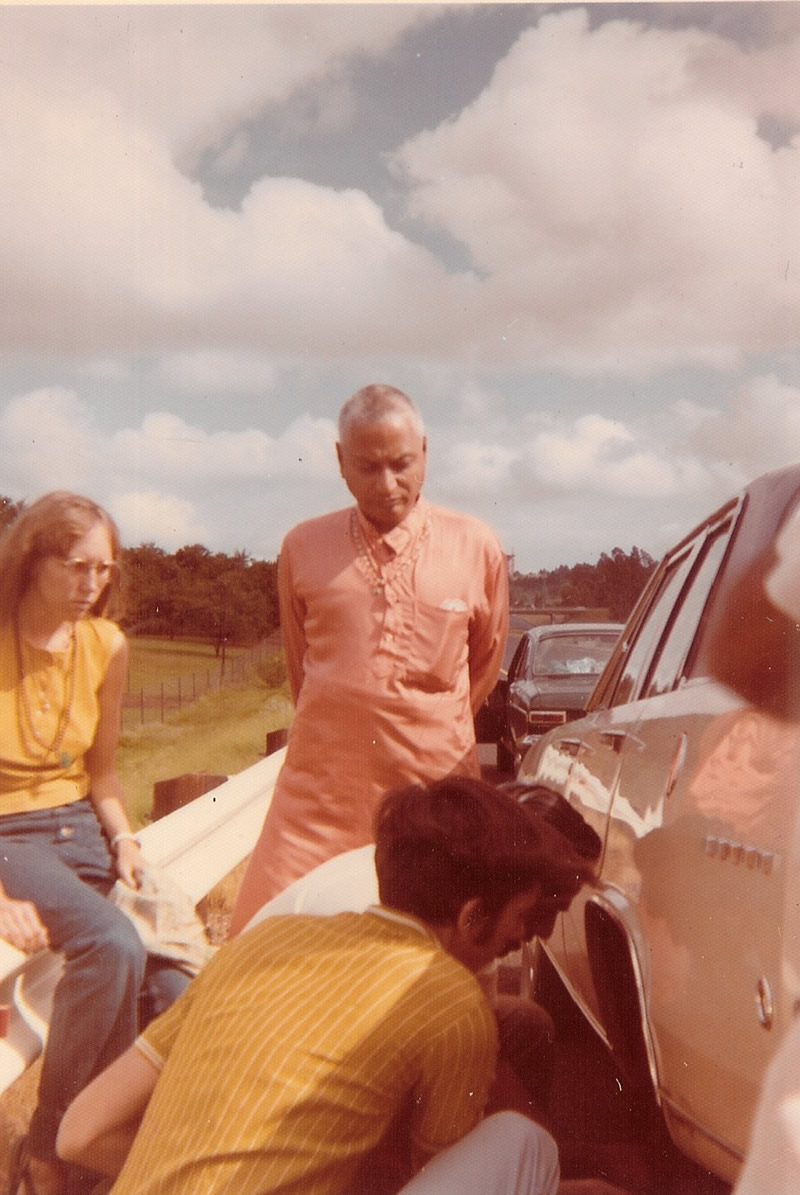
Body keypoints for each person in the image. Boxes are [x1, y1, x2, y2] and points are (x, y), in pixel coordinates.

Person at [57, 776, 629, 1195]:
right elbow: (423, 1173)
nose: (525, 937)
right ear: (473, 914)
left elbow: (79, 1135)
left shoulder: (262, 941)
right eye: (522, 917)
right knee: (523, 1142)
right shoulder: (449, 998)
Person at [229, 383, 509, 931]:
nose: (387, 484)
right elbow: (302, 668)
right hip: (318, 798)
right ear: (340, 462)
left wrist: (426, 716)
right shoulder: (303, 546)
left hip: (433, 799)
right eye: (368, 466)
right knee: (260, 936)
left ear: (425, 452)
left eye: (402, 464)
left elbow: (484, 665)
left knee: (439, 949)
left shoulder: (476, 545)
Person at [0, 492, 189, 1195]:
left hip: (81, 826)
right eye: (77, 566)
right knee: (112, 944)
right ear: (31, 560)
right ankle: (51, 1145)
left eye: (104, 569)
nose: (92, 584)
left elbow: (102, 774)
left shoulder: (107, 645)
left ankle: (112, 1156)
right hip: (8, 835)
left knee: (175, 989)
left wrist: (126, 840)